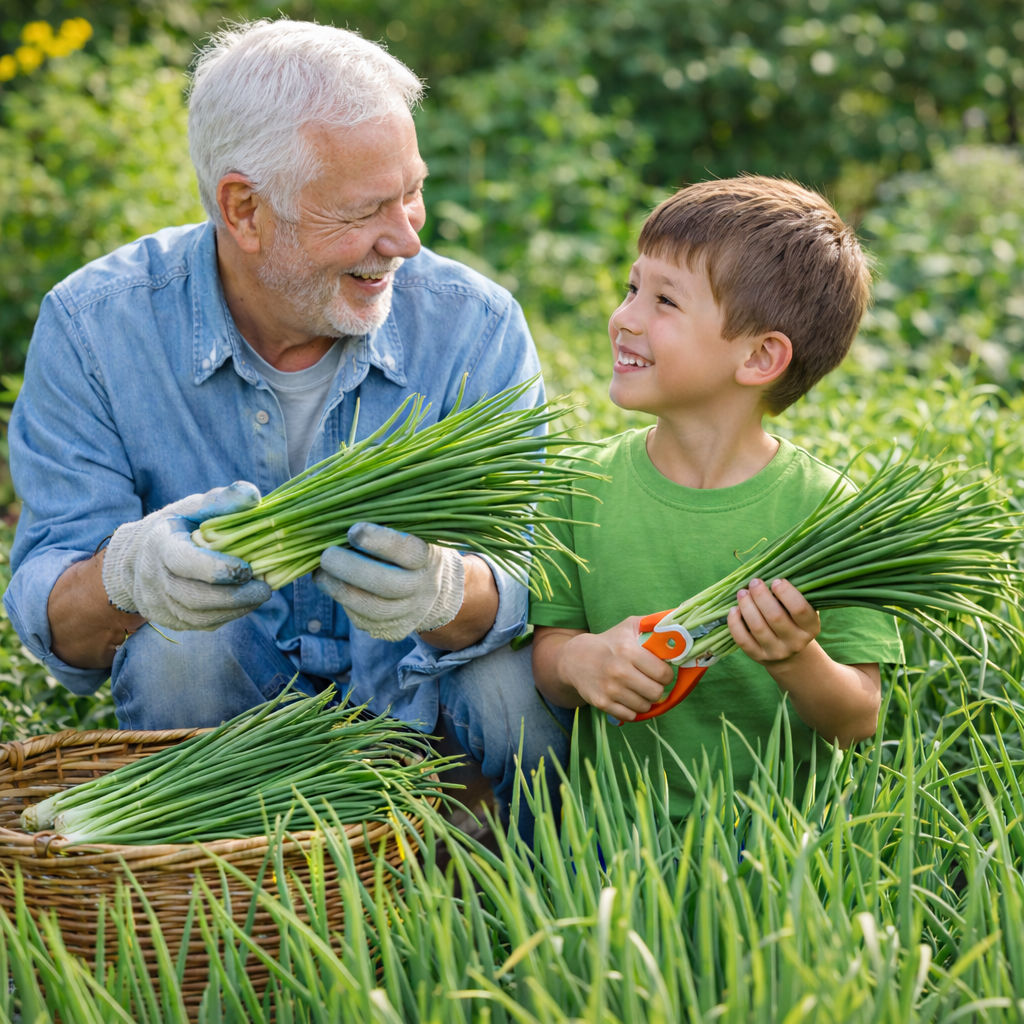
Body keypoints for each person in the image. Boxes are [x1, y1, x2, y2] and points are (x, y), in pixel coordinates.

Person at [4, 19, 570, 841]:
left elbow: (539, 578)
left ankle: (490, 879)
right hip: (224, 762)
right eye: (365, 210)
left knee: (511, 680)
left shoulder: (473, 326)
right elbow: (56, 621)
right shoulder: (96, 327)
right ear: (245, 209)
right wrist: (126, 576)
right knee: (180, 651)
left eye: (411, 191)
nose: (407, 238)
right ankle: (221, 895)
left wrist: (448, 590)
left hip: (422, 727)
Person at [528, 176, 903, 817]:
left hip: (773, 846)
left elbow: (857, 720)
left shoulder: (829, 512)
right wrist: (580, 661)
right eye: (632, 288)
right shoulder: (580, 484)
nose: (625, 317)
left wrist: (794, 656)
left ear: (759, 357)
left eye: (665, 301)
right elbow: (549, 657)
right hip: (608, 841)